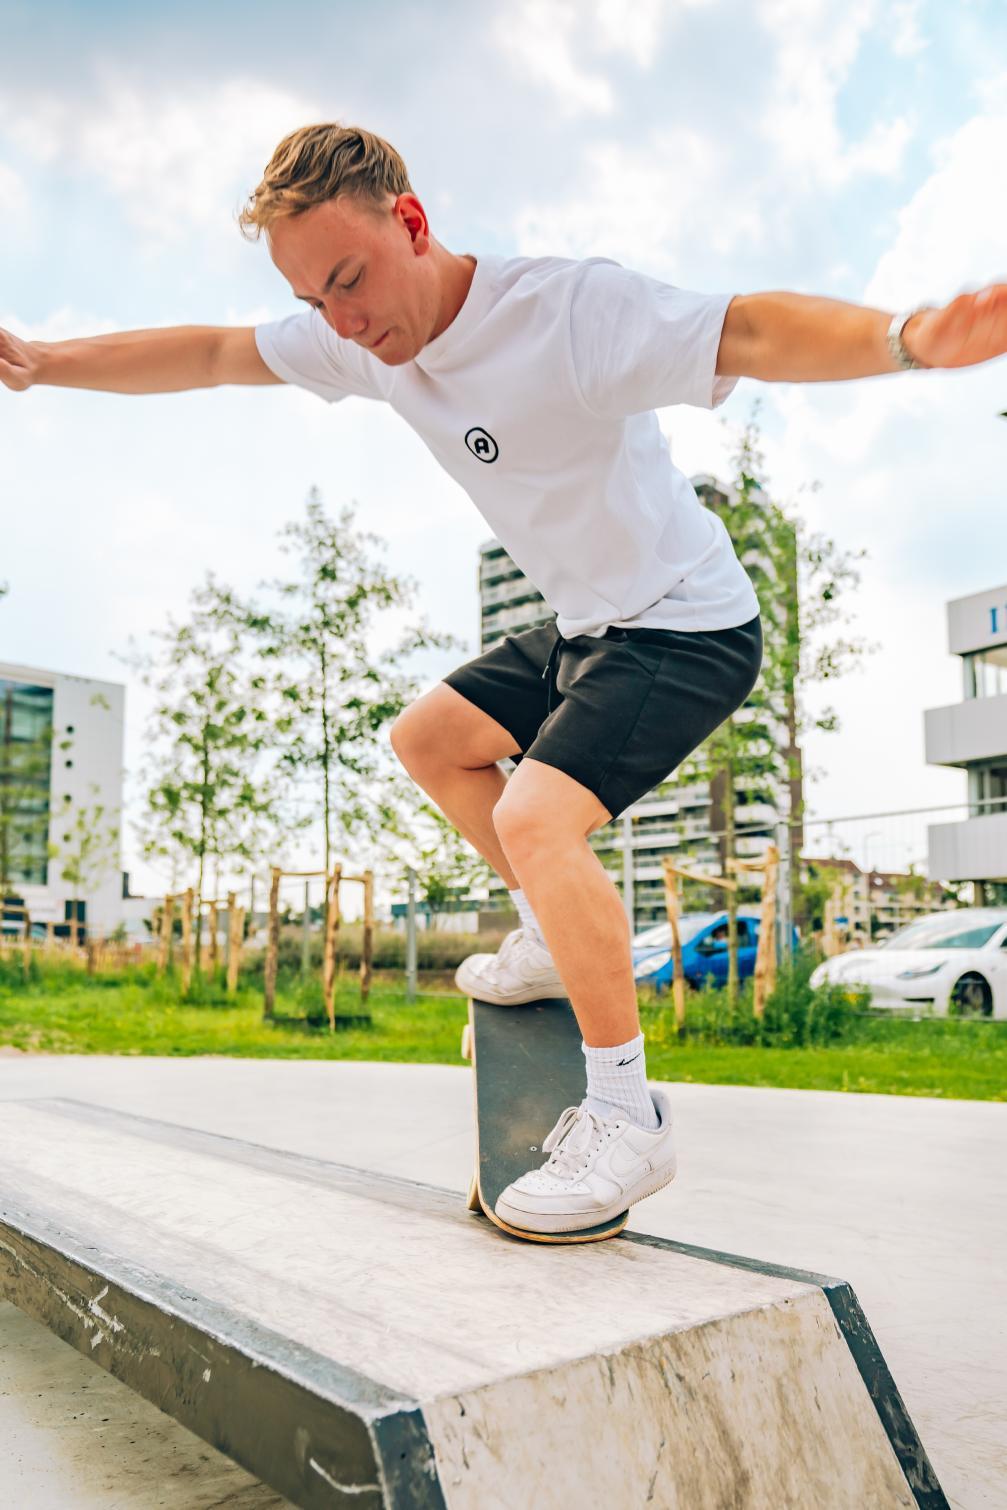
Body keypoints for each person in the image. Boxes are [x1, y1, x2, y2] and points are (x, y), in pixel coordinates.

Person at [3, 122, 1004, 1236]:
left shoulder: (568, 313)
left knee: (536, 815)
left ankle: (630, 1117)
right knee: (429, 739)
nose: (341, 321)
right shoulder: (360, 341)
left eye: (349, 280)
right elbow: (211, 354)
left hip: (687, 625)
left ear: (412, 223)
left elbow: (752, 327)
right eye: (313, 297)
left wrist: (910, 336)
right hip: (587, 626)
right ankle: (544, 930)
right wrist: (47, 363)